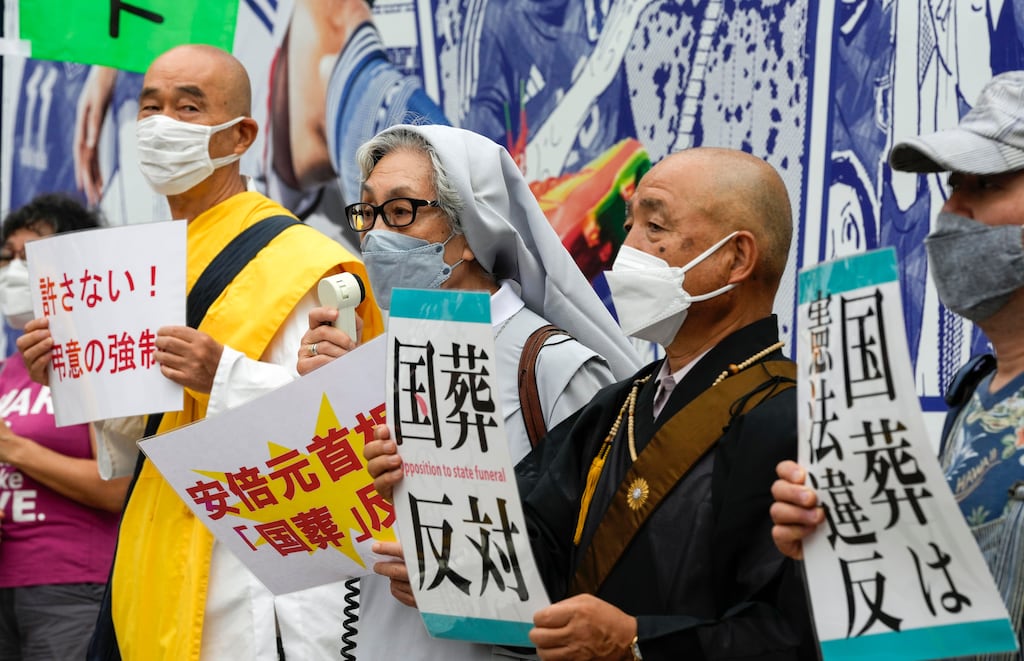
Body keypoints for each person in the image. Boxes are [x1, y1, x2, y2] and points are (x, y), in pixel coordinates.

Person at [367, 146, 816, 660]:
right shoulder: (619, 406)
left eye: (655, 227)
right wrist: (436, 525)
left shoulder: (795, 421)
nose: (627, 250)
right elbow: (537, 541)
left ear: (736, 258)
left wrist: (638, 643)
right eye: (629, 226)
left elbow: (799, 635)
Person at [16, 45, 384, 661]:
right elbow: (144, 435)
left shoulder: (299, 261)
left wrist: (225, 375)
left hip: (253, 584)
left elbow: (341, 438)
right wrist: (73, 374)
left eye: (189, 107)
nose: (162, 125)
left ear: (239, 135)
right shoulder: (138, 265)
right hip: (155, 547)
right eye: (150, 107)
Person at [297, 122, 641, 660]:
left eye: (402, 210)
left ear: (470, 227)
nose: (377, 234)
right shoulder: (375, 358)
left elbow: (603, 564)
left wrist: (461, 585)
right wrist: (331, 405)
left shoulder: (554, 366)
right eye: (368, 211)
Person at [770, 70, 1024, 659]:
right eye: (954, 185)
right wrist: (841, 540)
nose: (951, 212)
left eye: (983, 184)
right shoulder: (977, 393)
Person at [0, 193, 130, 660]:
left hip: (70, 584)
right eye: (7, 256)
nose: (15, 270)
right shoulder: (6, 371)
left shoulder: (99, 362)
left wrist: (15, 449)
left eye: (31, 254)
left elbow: (116, 486)